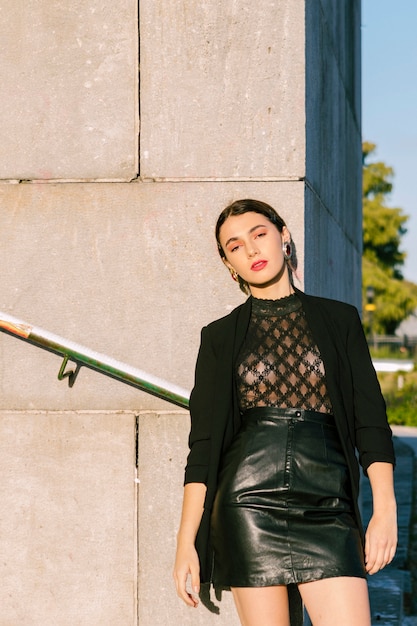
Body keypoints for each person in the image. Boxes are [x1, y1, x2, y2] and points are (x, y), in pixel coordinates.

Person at [173, 199, 397, 626]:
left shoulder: (339, 320)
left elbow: (370, 421)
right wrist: (186, 541)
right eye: (235, 246)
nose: (252, 250)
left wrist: (384, 509)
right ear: (229, 264)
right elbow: (202, 447)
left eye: (259, 234)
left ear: (284, 236)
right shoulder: (219, 337)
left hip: (329, 504)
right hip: (248, 506)